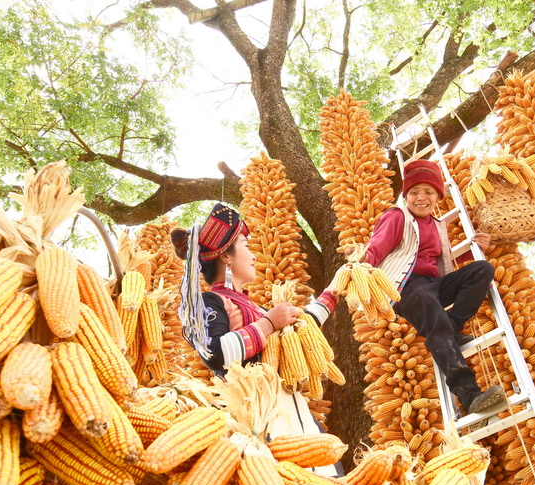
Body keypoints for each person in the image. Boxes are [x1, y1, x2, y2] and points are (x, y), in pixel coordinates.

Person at [171, 203, 340, 438]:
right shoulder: (209, 301)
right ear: (225, 256)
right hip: (253, 421)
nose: (253, 256)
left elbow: (304, 323)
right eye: (246, 246)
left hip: (290, 413)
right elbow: (215, 354)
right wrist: (269, 323)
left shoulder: (257, 309)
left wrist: (336, 289)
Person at [362, 159, 504, 416]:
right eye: (414, 192)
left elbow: (437, 262)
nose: (420, 198)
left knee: (482, 270)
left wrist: (476, 249)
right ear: (406, 196)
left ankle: (450, 329)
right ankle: (469, 395)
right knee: (433, 316)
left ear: (438, 195)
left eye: (428, 192)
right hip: (405, 286)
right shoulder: (397, 216)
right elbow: (377, 247)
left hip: (432, 284)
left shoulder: (437, 225)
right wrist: (360, 267)